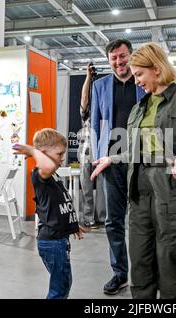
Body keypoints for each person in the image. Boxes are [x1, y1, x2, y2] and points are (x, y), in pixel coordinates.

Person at [92, 42, 176, 298]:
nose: (136, 80)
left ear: (156, 68)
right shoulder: (139, 109)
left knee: (170, 265)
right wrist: (113, 158)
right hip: (139, 190)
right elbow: (141, 152)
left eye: (139, 74)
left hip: (171, 190)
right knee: (140, 266)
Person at [90, 39, 146, 295]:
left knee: (142, 218)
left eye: (123, 57)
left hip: (141, 159)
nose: (119, 62)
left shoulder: (143, 81)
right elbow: (94, 123)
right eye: (114, 58)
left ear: (130, 56)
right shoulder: (100, 85)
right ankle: (120, 273)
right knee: (114, 220)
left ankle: (145, 271)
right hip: (110, 161)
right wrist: (97, 153)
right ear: (109, 60)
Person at [12, 129, 85, 299]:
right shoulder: (39, 175)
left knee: (64, 283)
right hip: (52, 242)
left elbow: (59, 205)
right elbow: (48, 165)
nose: (62, 158)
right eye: (59, 154)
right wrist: (33, 151)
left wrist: (72, 224)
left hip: (58, 240)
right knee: (59, 290)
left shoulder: (53, 177)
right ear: (43, 154)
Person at [77, 63, 106, 229]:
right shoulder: (87, 113)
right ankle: (88, 219)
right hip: (86, 154)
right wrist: (88, 77)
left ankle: (102, 217)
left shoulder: (105, 114)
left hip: (101, 153)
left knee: (102, 187)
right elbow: (84, 98)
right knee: (86, 187)